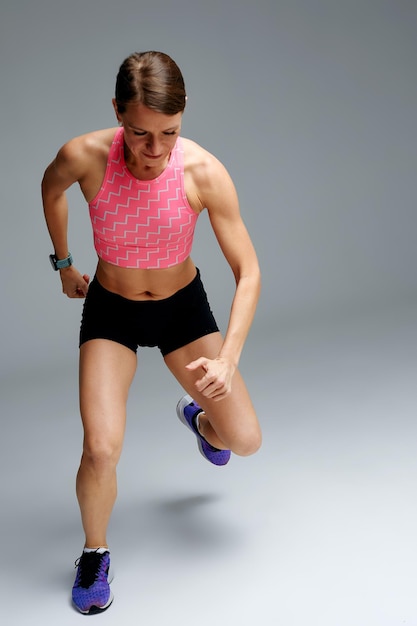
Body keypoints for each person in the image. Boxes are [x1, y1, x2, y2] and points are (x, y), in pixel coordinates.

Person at [42, 50, 262, 615]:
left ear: (183, 117)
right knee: (99, 449)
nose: (155, 149)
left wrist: (228, 360)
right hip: (111, 309)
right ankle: (94, 553)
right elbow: (51, 188)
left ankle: (201, 420)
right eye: (140, 133)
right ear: (117, 112)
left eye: (169, 132)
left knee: (243, 440)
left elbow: (249, 271)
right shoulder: (85, 155)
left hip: (181, 312)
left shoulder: (203, 172)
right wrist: (64, 263)